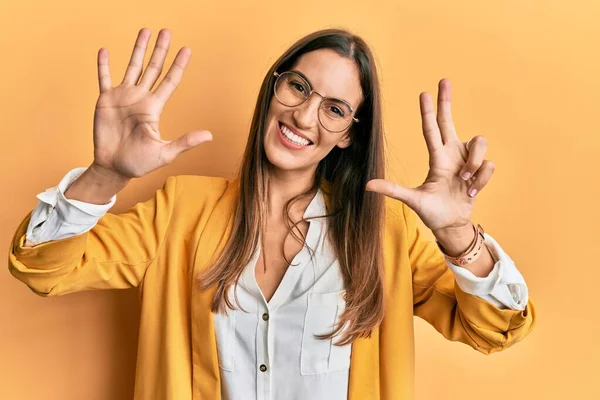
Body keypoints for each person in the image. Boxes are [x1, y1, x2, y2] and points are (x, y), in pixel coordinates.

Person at [8, 27, 535, 400]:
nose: (304, 115)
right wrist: (107, 173)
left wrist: (456, 233)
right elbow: (43, 266)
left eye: (334, 108)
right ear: (274, 86)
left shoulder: (386, 233)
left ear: (350, 133)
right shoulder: (180, 211)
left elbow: (495, 329)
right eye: (298, 87)